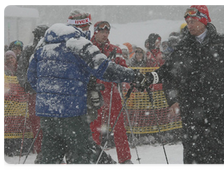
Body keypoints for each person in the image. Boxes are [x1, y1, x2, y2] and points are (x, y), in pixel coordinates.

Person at [27, 9, 142, 165]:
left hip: (48, 115)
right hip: (73, 114)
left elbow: (32, 78)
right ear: (84, 27)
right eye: (88, 28)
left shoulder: (43, 44)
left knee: (49, 159)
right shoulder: (79, 44)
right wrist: (134, 76)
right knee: (82, 158)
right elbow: (104, 68)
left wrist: (52, 95)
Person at [137, 3, 224, 165]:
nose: (189, 25)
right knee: (192, 151)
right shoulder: (183, 46)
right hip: (191, 106)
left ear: (204, 21)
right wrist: (151, 77)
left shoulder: (223, 42)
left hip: (217, 106)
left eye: (193, 21)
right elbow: (168, 71)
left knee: (216, 150)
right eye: (187, 21)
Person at [90, 21, 133, 165]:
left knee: (119, 127)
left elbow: (124, 69)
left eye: (107, 32)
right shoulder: (88, 48)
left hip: (112, 92)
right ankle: (93, 157)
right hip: (93, 93)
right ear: (95, 32)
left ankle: (125, 158)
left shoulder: (114, 50)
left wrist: (127, 83)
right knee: (94, 128)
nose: (104, 34)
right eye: (101, 31)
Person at [16, 25, 49, 164]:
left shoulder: (50, 49)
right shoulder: (29, 49)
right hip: (34, 93)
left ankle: (51, 154)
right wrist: (26, 85)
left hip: (48, 94)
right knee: (37, 126)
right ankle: (41, 154)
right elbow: (21, 70)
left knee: (50, 126)